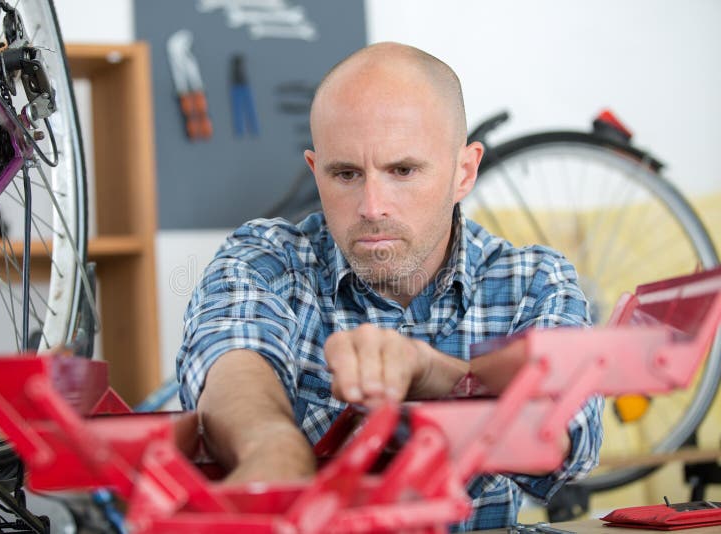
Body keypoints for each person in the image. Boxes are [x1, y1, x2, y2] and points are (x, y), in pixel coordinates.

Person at [176, 42, 603, 531]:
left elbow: (571, 440)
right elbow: (232, 358)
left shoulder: (534, 283)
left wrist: (437, 376)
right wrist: (275, 451)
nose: (372, 206)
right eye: (346, 174)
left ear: (463, 172)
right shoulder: (267, 258)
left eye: (402, 170)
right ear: (317, 173)